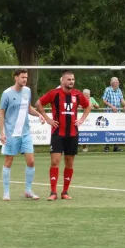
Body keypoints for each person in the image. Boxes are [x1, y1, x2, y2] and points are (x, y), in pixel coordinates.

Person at [35, 70, 92, 201]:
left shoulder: (77, 94)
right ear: (62, 81)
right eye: (69, 79)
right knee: (55, 161)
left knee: (69, 163)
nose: (71, 81)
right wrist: (48, 119)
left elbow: (88, 106)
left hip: (72, 133)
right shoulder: (54, 93)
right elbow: (38, 104)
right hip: (57, 134)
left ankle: (65, 192)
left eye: (73, 79)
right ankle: (53, 192)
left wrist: (82, 119)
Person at [0, 68, 45, 201]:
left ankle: (28, 190)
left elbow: (29, 107)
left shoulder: (27, 91)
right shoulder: (6, 94)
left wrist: (39, 115)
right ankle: (6, 192)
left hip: (25, 133)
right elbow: (1, 113)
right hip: (11, 134)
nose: (25, 79)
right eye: (22, 77)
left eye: (26, 77)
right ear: (16, 77)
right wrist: (2, 133)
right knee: (9, 161)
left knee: (31, 161)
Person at [102, 77, 125, 152]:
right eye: (117, 82)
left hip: (117, 113)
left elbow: (122, 99)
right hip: (109, 113)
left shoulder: (119, 90)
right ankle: (106, 147)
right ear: (112, 83)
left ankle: (116, 147)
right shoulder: (108, 89)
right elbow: (104, 100)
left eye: (118, 82)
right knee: (108, 130)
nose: (118, 83)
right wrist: (111, 106)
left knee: (116, 130)